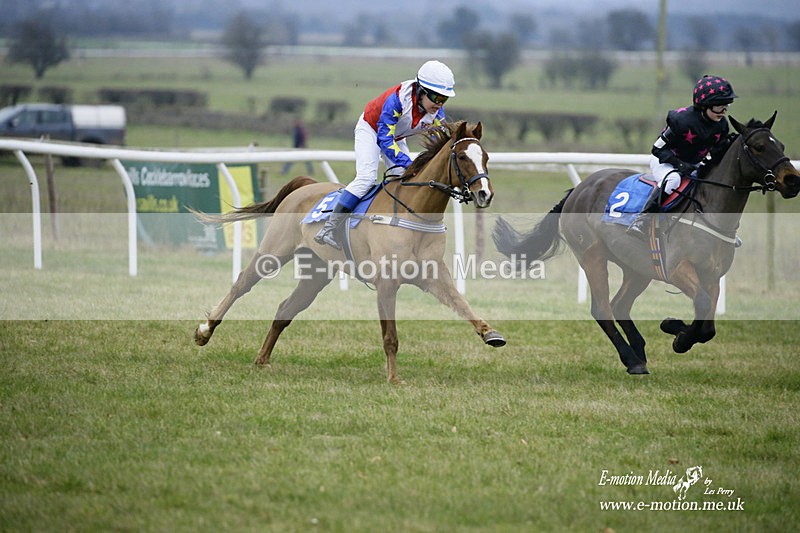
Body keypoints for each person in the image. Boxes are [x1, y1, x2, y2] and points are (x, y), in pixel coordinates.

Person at [314, 60, 455, 249]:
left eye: (443, 99)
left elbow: (442, 141)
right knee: (366, 177)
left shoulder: (437, 113)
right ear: (421, 90)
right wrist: (410, 163)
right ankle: (330, 227)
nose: (439, 104)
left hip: (395, 136)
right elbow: (384, 140)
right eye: (436, 98)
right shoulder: (398, 100)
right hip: (371, 130)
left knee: (402, 178)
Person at [627, 75, 738, 238]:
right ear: (704, 104)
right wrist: (679, 165)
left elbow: (716, 153)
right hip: (665, 160)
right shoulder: (681, 120)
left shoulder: (721, 125)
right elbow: (657, 149)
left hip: (692, 164)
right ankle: (643, 218)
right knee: (674, 181)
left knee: (711, 181)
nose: (724, 111)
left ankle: (719, 229)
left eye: (726, 105)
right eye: (719, 105)